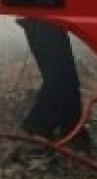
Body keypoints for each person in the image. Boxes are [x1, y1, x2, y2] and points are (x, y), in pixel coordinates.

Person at [16, 17, 90, 149]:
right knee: (59, 79)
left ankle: (72, 130)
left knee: (66, 77)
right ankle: (36, 129)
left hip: (50, 17)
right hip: (41, 17)